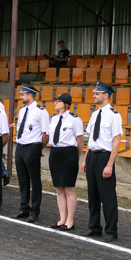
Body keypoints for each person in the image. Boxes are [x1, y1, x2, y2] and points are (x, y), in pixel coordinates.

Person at [80, 81, 122, 242]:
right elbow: (90, 138)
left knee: (108, 196)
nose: (94, 95)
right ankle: (94, 227)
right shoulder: (95, 114)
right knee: (93, 194)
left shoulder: (114, 115)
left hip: (105, 156)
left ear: (106, 95)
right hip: (92, 156)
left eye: (97, 93)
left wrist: (110, 164)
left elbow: (116, 142)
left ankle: (111, 230)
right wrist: (85, 160)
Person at [12, 84, 50, 223]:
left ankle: (34, 211)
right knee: (22, 179)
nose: (20, 96)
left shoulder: (41, 111)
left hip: (32, 146)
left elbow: (45, 135)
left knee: (34, 180)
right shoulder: (22, 110)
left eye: (22, 94)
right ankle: (23, 208)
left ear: (30, 95)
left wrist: (38, 149)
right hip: (21, 146)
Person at [47, 92, 84, 231]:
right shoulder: (53, 119)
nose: (55, 102)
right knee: (58, 188)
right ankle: (62, 218)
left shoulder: (75, 120)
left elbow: (80, 140)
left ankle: (70, 220)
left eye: (58, 101)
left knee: (69, 188)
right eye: (55, 100)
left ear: (66, 104)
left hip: (69, 153)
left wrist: (76, 157)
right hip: (55, 152)